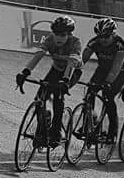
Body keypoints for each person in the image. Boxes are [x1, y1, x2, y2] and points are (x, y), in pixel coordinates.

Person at [16, 15, 83, 147]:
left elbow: (71, 63)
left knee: (58, 98)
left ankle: (56, 132)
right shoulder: (50, 39)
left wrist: (65, 80)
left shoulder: (75, 43)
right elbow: (39, 54)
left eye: (62, 34)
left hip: (72, 72)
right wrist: (26, 71)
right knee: (40, 97)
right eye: (56, 34)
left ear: (69, 34)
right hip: (56, 69)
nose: (58, 37)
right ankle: (42, 128)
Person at [80, 17, 124, 143]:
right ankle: (89, 125)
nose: (103, 40)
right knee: (89, 95)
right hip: (102, 69)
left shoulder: (120, 44)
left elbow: (116, 67)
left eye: (106, 37)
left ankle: (112, 133)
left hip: (120, 73)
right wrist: (72, 73)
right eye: (100, 36)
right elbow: (81, 61)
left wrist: (108, 83)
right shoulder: (94, 42)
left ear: (113, 34)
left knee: (108, 98)